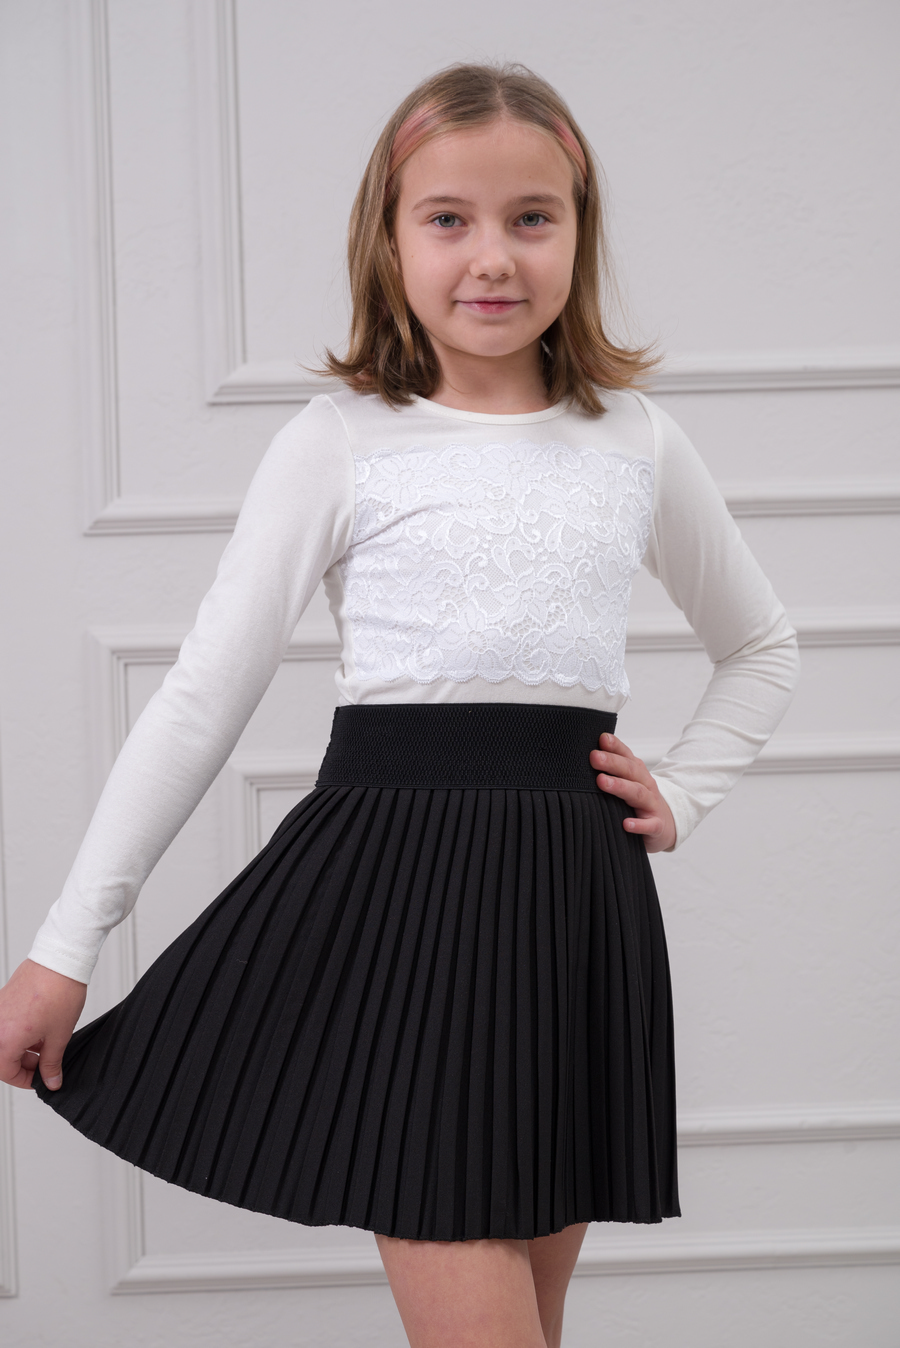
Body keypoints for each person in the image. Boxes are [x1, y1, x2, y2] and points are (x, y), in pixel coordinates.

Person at [0, 62, 799, 1348]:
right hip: (397, 906)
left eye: (531, 217)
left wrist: (687, 792)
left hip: (572, 911)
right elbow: (202, 698)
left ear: (580, 232)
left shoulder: (636, 440)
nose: (492, 256)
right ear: (389, 238)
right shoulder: (342, 441)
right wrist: (63, 945)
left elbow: (761, 645)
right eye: (448, 218)